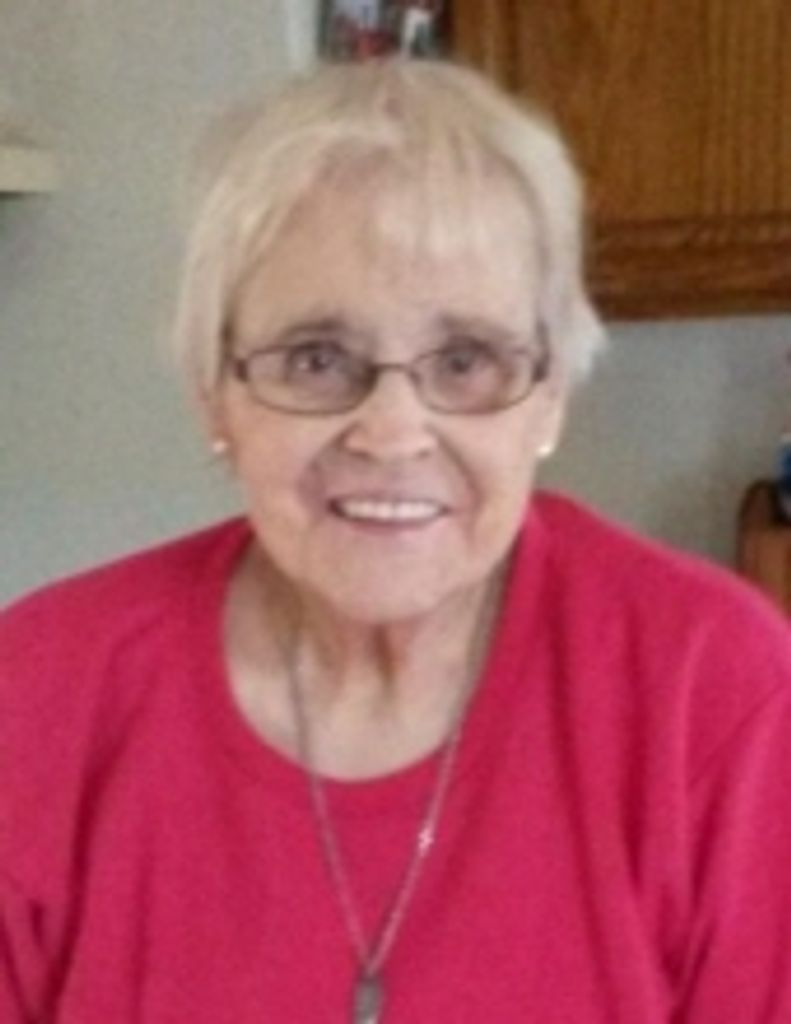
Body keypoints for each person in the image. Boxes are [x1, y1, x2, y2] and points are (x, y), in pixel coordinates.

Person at [1, 58, 790, 1024]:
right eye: (315, 358)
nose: (390, 433)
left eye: (464, 360)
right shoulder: (39, 693)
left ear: (549, 396)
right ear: (215, 394)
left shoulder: (712, 691)